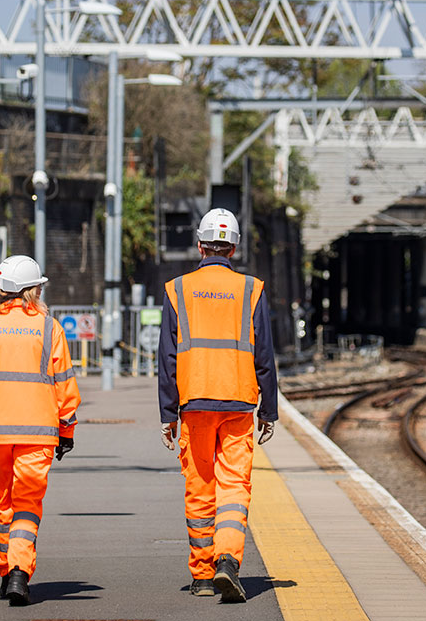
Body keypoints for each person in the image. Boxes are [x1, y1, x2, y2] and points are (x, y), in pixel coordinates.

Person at [158, 208, 278, 603]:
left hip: (194, 403)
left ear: (200, 244)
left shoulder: (178, 289)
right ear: (235, 247)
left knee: (200, 488)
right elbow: (264, 353)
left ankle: (203, 576)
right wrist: (269, 409)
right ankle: (228, 560)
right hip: (240, 401)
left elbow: (167, 356)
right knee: (233, 487)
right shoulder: (252, 289)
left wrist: (167, 412)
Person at [0, 255, 80, 606]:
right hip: (38, 433)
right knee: (27, 503)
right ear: (31, 290)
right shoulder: (48, 328)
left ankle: (7, 569)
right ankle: (19, 572)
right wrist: (67, 429)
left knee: (6, 501)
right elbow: (65, 385)